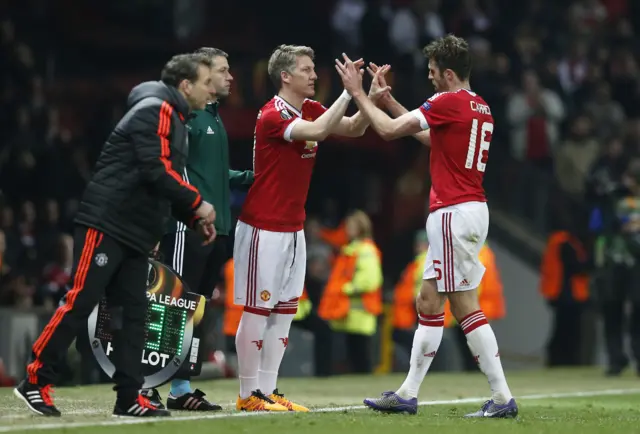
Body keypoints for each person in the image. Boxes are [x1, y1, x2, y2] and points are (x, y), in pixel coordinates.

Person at [14, 53, 217, 418]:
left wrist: (191, 215)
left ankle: (129, 397)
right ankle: (35, 379)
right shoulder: (156, 110)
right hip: (106, 223)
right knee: (81, 301)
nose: (211, 89)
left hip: (136, 231)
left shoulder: (176, 119)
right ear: (186, 85)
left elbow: (156, 181)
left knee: (135, 314)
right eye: (206, 82)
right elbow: (155, 169)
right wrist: (198, 204)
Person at [335, 34, 518, 418]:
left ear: (449, 73)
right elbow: (432, 138)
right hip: (464, 210)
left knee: (465, 305)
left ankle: (502, 398)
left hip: (453, 212)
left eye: (434, 72)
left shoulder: (447, 101)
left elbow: (387, 131)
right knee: (428, 301)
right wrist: (387, 102)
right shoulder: (479, 106)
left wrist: (359, 93)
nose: (430, 78)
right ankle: (407, 393)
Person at [232, 44, 389, 412]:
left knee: (285, 311)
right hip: (263, 226)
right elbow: (319, 131)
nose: (315, 75)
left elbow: (351, 127)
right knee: (258, 310)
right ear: (285, 76)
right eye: (307, 69)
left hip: (293, 227)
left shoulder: (309, 108)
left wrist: (368, 99)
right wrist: (348, 92)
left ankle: (267, 391)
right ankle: (246, 394)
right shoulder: (272, 114)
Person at [140, 47, 253, 412]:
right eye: (222, 71)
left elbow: (214, 175)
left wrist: (252, 177)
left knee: (196, 308)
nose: (230, 77)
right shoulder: (187, 117)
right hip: (186, 226)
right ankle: (148, 384)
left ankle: (181, 387)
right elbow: (170, 169)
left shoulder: (215, 118)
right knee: (171, 305)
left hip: (217, 229)